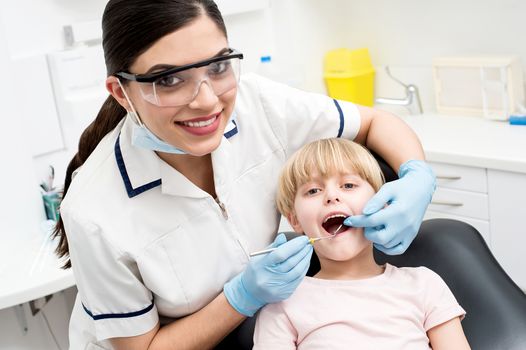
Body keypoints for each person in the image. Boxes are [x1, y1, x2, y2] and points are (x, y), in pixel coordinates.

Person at [53, 0, 436, 349]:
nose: (205, 100)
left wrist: (416, 176)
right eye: (168, 79)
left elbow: (375, 123)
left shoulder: (258, 104)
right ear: (121, 92)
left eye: (218, 67)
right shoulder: (93, 212)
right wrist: (242, 297)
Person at [253, 138, 470, 350]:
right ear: (295, 220)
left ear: (383, 204)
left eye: (348, 185)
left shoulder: (424, 285)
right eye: (313, 191)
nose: (331, 196)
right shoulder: (282, 305)